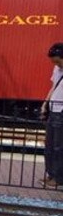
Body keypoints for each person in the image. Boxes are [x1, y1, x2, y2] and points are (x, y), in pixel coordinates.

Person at [40, 42, 63, 188]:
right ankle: (51, 175)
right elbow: (53, 87)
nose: (55, 64)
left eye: (57, 61)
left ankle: (59, 178)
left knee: (58, 147)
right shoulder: (57, 69)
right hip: (53, 109)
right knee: (49, 145)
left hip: (61, 111)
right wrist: (45, 103)